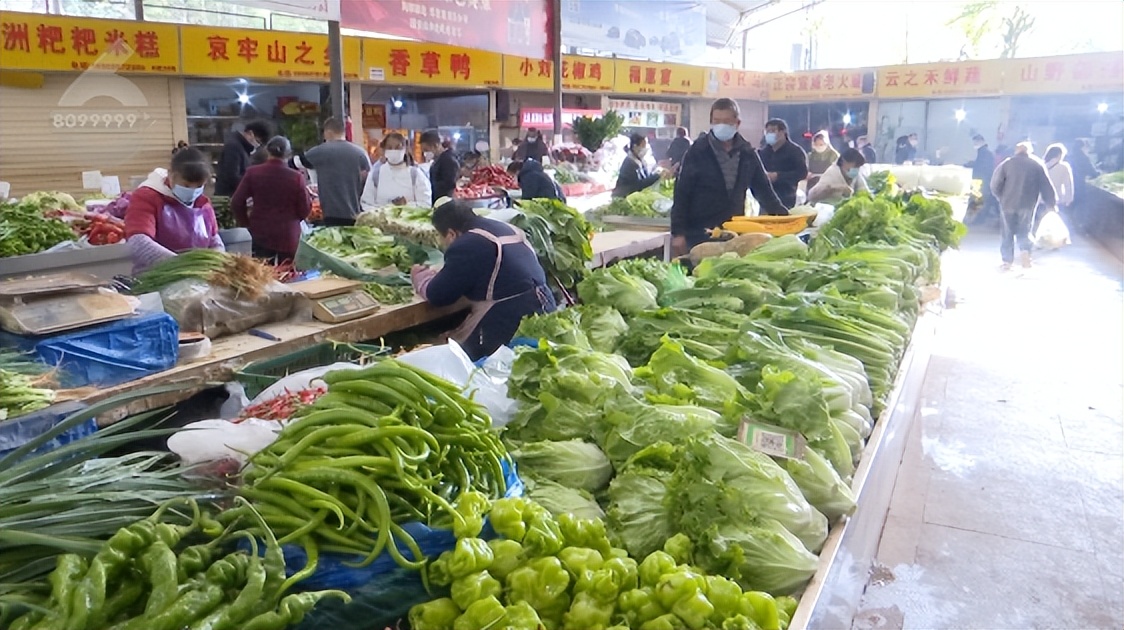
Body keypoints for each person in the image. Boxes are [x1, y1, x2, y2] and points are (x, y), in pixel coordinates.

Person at [410, 199, 556, 360]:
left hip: (510, 317)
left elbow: (438, 295)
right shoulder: (507, 228)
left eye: (441, 236)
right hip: (545, 305)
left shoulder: (467, 244)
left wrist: (420, 276)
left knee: (469, 360)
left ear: (451, 234)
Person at [670, 99, 788, 255]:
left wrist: (787, 220)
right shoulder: (697, 152)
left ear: (737, 123)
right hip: (700, 232)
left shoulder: (747, 153)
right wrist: (678, 233)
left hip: (733, 232)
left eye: (726, 121)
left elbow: (764, 191)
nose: (721, 126)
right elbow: (681, 193)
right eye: (716, 121)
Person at [125, 147, 225, 274]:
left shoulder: (202, 203)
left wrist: (218, 261)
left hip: (197, 278)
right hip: (156, 278)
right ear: (171, 175)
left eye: (199, 186)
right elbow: (139, 242)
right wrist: (181, 266)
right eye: (186, 185)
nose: (193, 191)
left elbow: (214, 239)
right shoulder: (147, 197)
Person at [230, 136, 311, 262]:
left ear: (267, 151)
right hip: (288, 234)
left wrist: (246, 222)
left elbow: (236, 202)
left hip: (261, 232)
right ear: (288, 154)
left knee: (262, 275)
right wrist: (294, 219)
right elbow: (305, 209)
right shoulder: (296, 177)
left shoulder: (253, 173)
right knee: (288, 275)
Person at [991, 142, 1057, 270]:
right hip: (1028, 204)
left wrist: (1001, 197)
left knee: (1007, 232)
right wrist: (1051, 203)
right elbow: (1046, 185)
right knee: (1025, 230)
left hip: (1008, 203)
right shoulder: (1037, 165)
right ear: (1030, 151)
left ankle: (1007, 261)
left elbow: (995, 184)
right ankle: (1025, 253)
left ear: (1016, 151)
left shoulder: (1007, 163)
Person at [303, 118, 371, 226]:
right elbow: (367, 176)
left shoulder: (320, 151)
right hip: (356, 212)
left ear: (328, 132)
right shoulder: (360, 152)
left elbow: (298, 163)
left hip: (331, 212)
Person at [360, 132, 431, 210]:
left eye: (398, 147)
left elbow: (426, 203)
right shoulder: (375, 175)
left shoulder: (416, 174)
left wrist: (407, 205)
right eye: (389, 148)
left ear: (406, 149)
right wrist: (383, 211)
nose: (394, 151)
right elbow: (366, 202)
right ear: (384, 150)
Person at [758, 117, 809, 210]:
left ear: (783, 132)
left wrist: (778, 176)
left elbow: (802, 173)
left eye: (773, 131)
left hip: (787, 197)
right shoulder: (762, 152)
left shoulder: (795, 151)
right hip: (765, 199)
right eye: (767, 131)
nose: (769, 134)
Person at [215, 120, 270, 196]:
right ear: (250, 133)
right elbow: (232, 176)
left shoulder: (242, 148)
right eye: (257, 141)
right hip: (228, 196)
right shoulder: (234, 147)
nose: (256, 145)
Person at [613, 133, 664, 198]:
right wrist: (657, 176)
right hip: (624, 197)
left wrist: (657, 172)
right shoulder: (629, 163)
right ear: (635, 147)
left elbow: (645, 177)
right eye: (643, 146)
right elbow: (638, 185)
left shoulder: (639, 161)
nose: (645, 149)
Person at [1066, 138, 1099, 233]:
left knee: (1069, 207)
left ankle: (1069, 225)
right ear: (1083, 147)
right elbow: (1092, 173)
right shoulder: (1083, 158)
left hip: (1069, 185)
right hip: (1079, 186)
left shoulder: (1069, 156)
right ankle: (1078, 227)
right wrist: (1099, 173)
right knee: (1080, 206)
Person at [1040, 143, 1075, 231]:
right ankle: (1053, 240)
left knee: (1041, 221)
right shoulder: (1064, 167)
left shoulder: (1041, 165)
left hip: (1041, 199)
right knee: (1056, 222)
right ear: (1059, 154)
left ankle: (1041, 239)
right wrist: (1069, 198)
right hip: (1057, 199)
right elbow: (1068, 184)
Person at [965, 134, 998, 224]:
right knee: (979, 199)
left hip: (981, 181)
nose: (974, 144)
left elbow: (982, 167)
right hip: (983, 180)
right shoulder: (984, 152)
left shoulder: (984, 153)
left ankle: (978, 220)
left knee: (978, 199)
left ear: (981, 141)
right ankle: (978, 219)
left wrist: (971, 165)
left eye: (976, 142)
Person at [421, 130, 460, 205]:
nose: (425, 153)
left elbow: (449, 184)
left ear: (436, 145)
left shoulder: (448, 160)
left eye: (426, 150)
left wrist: (429, 187)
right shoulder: (437, 160)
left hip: (444, 204)